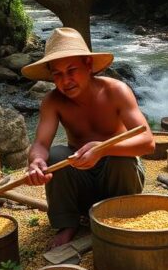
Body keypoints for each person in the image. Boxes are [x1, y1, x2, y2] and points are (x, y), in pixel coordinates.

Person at [21, 27, 155, 249]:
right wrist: (35, 161)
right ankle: (68, 223)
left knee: (121, 159)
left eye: (72, 70)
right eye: (58, 74)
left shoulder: (116, 91)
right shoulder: (53, 101)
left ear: (88, 65)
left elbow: (148, 143)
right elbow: (41, 144)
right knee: (55, 155)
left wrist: (103, 149)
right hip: (81, 178)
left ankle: (121, 218)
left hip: (118, 176)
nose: (66, 81)